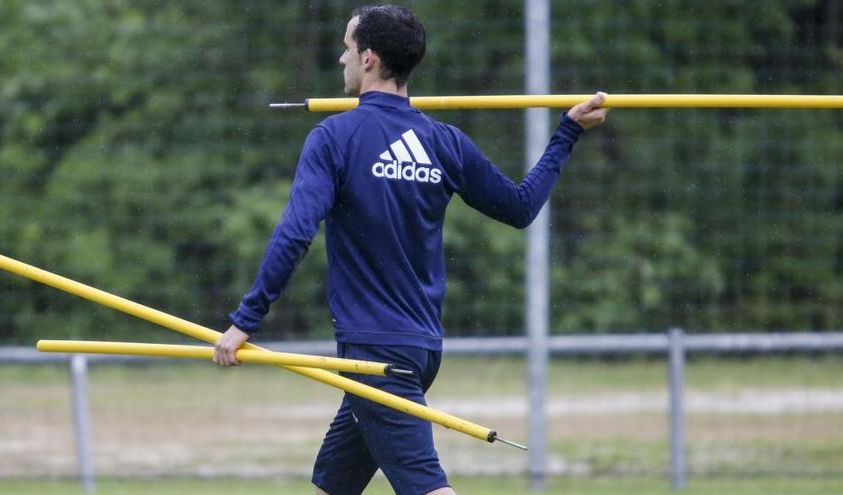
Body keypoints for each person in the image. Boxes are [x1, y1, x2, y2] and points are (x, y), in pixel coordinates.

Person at [213, 5, 608, 495]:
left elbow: (295, 232)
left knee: (426, 488)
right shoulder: (443, 141)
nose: (341, 59)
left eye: (347, 48)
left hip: (377, 353)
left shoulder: (334, 137)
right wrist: (566, 134)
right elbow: (522, 206)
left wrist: (245, 320)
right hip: (419, 349)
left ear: (371, 58)